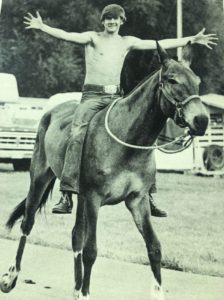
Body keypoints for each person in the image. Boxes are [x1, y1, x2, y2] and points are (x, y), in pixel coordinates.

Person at [24, 4, 217, 216]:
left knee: (143, 135)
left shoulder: (127, 42)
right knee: (77, 132)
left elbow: (160, 44)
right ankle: (67, 191)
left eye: (116, 19)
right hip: (92, 97)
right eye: (108, 19)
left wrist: (191, 39)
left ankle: (147, 194)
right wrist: (43, 27)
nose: (112, 22)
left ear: (121, 21)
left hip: (116, 97)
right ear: (103, 21)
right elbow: (67, 35)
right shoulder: (93, 38)